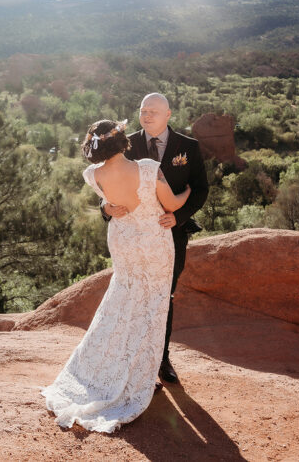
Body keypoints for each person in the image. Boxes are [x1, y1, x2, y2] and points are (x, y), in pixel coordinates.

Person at [42, 119, 191, 433]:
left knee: (120, 303)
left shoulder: (91, 175)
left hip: (122, 242)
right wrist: (188, 190)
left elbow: (108, 203)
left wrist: (108, 207)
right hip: (152, 243)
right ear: (123, 140)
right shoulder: (148, 168)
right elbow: (173, 203)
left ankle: (104, 372)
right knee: (151, 308)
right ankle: (137, 379)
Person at [102, 93, 208, 384]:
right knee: (132, 294)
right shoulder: (123, 144)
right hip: (133, 236)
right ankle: (130, 360)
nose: (147, 115)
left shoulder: (188, 147)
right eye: (143, 110)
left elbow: (200, 189)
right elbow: (106, 184)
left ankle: (160, 360)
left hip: (171, 234)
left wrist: (180, 216)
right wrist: (106, 207)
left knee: (164, 296)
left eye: (154, 111)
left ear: (168, 114)